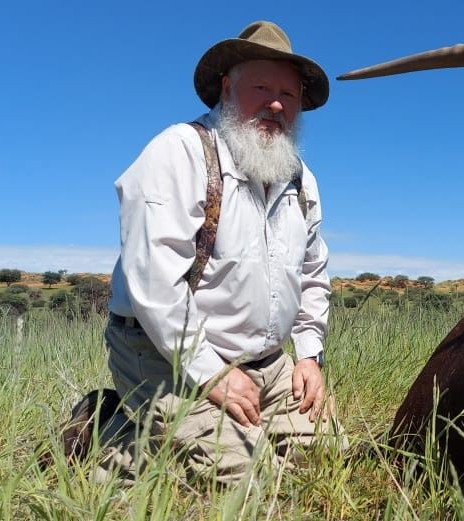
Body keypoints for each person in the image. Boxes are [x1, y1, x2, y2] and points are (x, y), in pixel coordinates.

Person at [77, 20, 342, 487]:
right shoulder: (179, 152)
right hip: (166, 357)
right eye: (261, 88)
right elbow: (154, 281)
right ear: (226, 88)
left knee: (327, 459)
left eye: (288, 94)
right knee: (248, 482)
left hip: (267, 363)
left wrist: (308, 357)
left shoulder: (301, 179)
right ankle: (101, 430)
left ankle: (172, 433)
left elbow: (313, 275)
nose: (276, 104)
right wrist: (211, 374)